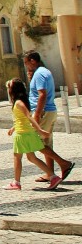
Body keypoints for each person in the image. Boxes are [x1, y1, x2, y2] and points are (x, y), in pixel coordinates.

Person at [23, 51, 74, 183]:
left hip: (44, 112)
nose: (26, 66)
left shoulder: (39, 74)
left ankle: (64, 164)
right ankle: (50, 173)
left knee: (33, 142)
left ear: (33, 61)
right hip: (50, 110)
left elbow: (42, 95)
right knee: (46, 144)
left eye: (26, 62)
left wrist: (37, 114)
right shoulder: (45, 71)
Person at [4, 78, 61, 190]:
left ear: (13, 90)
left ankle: (16, 182)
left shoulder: (19, 103)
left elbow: (29, 117)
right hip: (25, 132)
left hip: (22, 134)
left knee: (17, 157)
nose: (8, 89)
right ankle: (53, 177)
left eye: (9, 87)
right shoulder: (20, 102)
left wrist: (40, 130)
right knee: (31, 157)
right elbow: (22, 119)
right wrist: (13, 127)